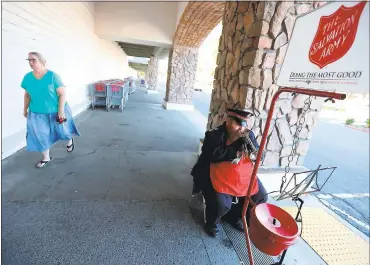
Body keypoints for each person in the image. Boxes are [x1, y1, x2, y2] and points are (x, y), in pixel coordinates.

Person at [191, 108, 267, 237]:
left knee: (260, 196)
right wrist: (235, 152)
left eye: (243, 124)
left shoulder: (248, 135)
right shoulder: (214, 135)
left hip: (242, 175)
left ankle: (234, 217)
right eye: (237, 123)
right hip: (216, 175)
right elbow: (211, 154)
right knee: (220, 203)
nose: (241, 128)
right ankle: (211, 223)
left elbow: (257, 151)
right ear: (228, 120)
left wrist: (258, 154)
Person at [22, 52, 80, 168]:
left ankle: (69, 141)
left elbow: (62, 94)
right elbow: (27, 95)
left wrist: (61, 111)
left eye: (33, 60)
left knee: (63, 131)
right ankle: (46, 158)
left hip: (56, 110)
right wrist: (25, 109)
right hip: (37, 113)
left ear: (42, 61)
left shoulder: (53, 76)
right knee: (41, 135)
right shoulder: (27, 77)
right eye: (29, 60)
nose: (31, 63)